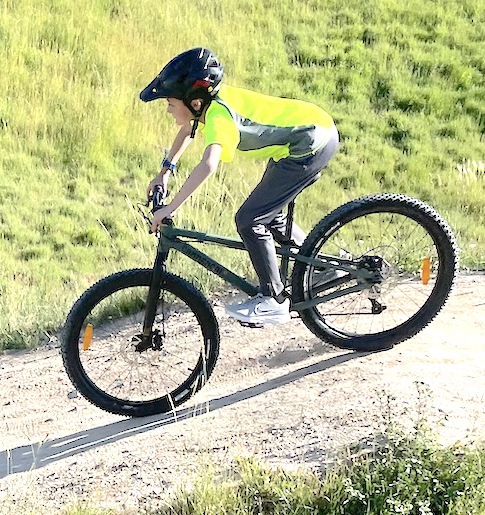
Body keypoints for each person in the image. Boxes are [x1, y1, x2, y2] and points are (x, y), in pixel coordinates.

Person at [141, 47, 339, 326]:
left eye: (171, 103)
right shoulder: (207, 106)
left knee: (249, 219)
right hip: (306, 134)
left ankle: (273, 300)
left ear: (195, 102)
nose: (167, 108)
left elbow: (208, 164)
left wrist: (171, 208)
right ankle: (324, 267)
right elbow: (187, 130)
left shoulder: (219, 116)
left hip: (310, 143)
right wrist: (165, 171)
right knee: (268, 214)